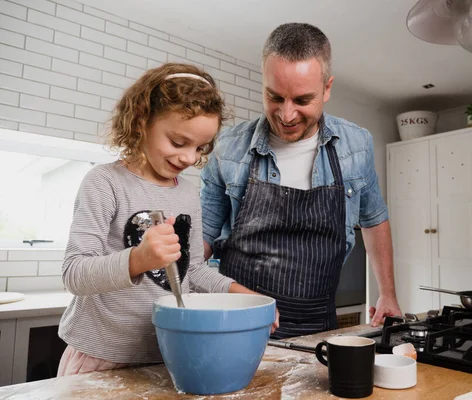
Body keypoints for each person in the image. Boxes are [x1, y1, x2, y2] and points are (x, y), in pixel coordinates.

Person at [57, 63, 277, 376]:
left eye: (199, 147)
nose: (189, 158)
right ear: (141, 121)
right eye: (178, 142)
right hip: (99, 358)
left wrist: (242, 294)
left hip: (167, 355)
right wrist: (139, 258)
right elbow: (74, 274)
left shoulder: (187, 194)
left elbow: (194, 270)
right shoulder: (105, 182)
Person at [201, 23, 402, 339]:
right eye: (274, 96)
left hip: (317, 327)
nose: (286, 114)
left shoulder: (356, 145)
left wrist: (387, 293)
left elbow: (375, 221)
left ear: (327, 88)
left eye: (302, 100)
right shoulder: (228, 148)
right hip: (235, 323)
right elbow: (203, 238)